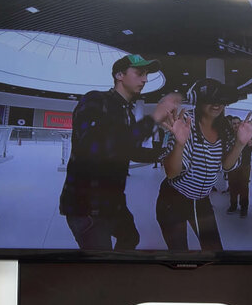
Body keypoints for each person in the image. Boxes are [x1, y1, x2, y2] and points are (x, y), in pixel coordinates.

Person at [59, 54, 182, 250]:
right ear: (119, 75)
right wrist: (153, 119)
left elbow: (129, 150)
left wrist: (171, 146)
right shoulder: (95, 100)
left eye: (146, 75)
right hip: (87, 205)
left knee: (130, 238)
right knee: (103, 262)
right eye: (139, 73)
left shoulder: (127, 112)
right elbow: (94, 148)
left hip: (113, 201)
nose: (145, 79)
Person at [156, 79, 252, 251]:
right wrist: (179, 144)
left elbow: (227, 166)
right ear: (198, 100)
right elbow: (172, 173)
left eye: (221, 99)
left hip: (201, 200)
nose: (217, 104)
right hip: (173, 198)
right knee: (179, 253)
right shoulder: (186, 122)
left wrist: (240, 144)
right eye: (211, 99)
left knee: (214, 250)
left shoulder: (224, 128)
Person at [225, 115, 252, 217]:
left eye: (238, 123)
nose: (236, 125)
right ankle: (233, 205)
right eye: (234, 124)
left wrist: (248, 139)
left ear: (241, 124)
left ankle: (244, 207)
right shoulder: (229, 136)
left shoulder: (248, 134)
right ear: (231, 126)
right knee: (232, 186)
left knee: (244, 186)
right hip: (232, 165)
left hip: (245, 164)